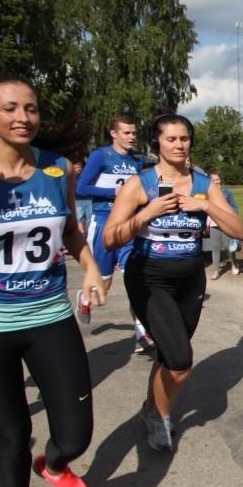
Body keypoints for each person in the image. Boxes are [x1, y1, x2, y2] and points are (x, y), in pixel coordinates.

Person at [0, 74, 106, 487]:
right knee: (13, 434)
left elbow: (71, 232)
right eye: (10, 108)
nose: (23, 118)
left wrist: (91, 269)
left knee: (76, 430)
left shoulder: (57, 167)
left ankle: (57, 466)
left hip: (47, 314)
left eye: (32, 108)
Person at [103, 114, 242, 451]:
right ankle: (159, 417)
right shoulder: (139, 184)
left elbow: (238, 230)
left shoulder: (203, 183)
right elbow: (109, 239)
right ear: (158, 143)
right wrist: (147, 213)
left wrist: (206, 205)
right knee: (180, 362)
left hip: (190, 279)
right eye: (171, 139)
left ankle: (152, 408)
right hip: (149, 278)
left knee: (169, 356)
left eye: (185, 139)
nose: (179, 145)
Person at [75, 114, 152, 351]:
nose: (132, 137)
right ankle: (85, 299)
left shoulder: (137, 161)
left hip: (128, 226)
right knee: (104, 285)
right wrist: (114, 193)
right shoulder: (101, 156)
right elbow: (81, 188)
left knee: (137, 280)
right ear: (113, 133)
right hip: (103, 222)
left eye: (134, 133)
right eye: (127, 133)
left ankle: (141, 333)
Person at [207, 171, 241, 279]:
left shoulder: (226, 192)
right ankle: (216, 271)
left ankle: (234, 263)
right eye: (214, 180)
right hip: (213, 222)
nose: (217, 181)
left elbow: (234, 206)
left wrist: (232, 215)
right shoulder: (206, 193)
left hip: (226, 222)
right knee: (215, 247)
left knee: (228, 246)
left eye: (218, 179)